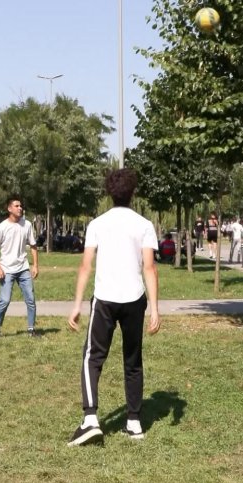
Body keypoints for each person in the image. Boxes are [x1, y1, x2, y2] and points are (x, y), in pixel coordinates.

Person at [67, 168, 161, 446]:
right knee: (133, 360)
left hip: (105, 299)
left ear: (109, 192)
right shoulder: (144, 224)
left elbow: (86, 265)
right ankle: (134, 423)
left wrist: (76, 305)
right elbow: (150, 267)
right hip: (135, 300)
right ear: (133, 192)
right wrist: (154, 309)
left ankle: (90, 419)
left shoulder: (97, 224)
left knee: (92, 358)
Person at [0, 196, 39, 338]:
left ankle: (31, 329)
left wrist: (35, 265)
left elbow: (33, 246)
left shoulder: (27, 225)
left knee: (31, 299)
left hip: (23, 268)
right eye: (17, 206)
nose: (20, 208)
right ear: (9, 209)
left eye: (21, 206)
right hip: (7, 270)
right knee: (4, 300)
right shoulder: (2, 227)